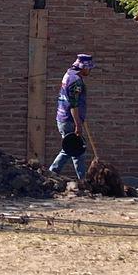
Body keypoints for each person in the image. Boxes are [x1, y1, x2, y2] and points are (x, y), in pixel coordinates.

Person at [49, 54, 94, 182]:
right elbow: (73, 105)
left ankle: (81, 179)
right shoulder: (76, 81)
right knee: (73, 149)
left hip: (63, 117)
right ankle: (52, 173)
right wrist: (78, 124)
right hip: (69, 120)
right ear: (84, 67)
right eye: (89, 68)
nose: (90, 71)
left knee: (74, 150)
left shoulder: (68, 74)